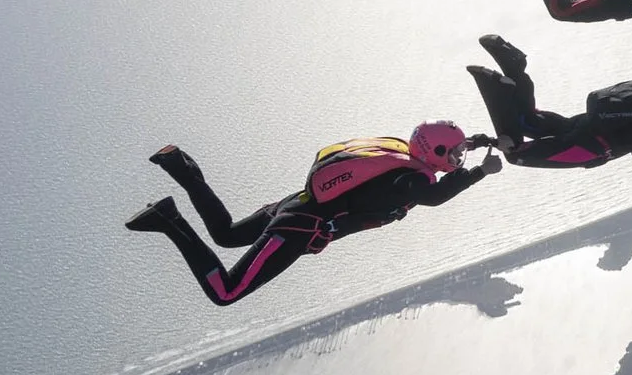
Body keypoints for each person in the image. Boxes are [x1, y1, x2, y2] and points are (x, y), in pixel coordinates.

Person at [127, 124, 498, 306]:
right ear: (431, 152)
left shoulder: (401, 156)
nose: (456, 161)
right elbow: (434, 197)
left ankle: (179, 165)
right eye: (452, 155)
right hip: (298, 229)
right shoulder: (411, 178)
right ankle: (167, 220)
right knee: (226, 291)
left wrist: (474, 143)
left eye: (458, 155)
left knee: (226, 235)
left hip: (293, 206)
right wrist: (479, 173)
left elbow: (434, 165)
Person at [466, 25, 632, 168]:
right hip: (589, 148)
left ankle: (515, 70)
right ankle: (506, 91)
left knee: (528, 121)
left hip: (584, 122)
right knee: (515, 155)